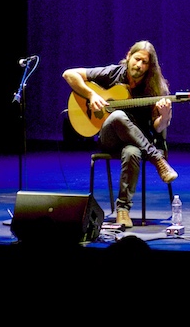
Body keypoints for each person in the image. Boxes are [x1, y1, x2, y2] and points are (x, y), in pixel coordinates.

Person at [63, 40, 178, 229]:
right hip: (109, 138)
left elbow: (158, 128)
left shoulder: (155, 89)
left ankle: (122, 210)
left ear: (150, 67)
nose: (139, 66)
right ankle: (158, 160)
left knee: (133, 152)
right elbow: (69, 74)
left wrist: (165, 116)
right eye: (137, 59)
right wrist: (91, 95)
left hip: (137, 144)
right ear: (128, 57)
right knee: (117, 116)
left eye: (145, 63)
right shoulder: (113, 73)